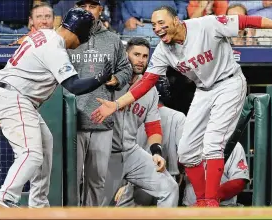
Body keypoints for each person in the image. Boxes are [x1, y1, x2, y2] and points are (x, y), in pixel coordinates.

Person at [91, 5, 272, 207]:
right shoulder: (164, 50)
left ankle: (210, 201)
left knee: (212, 143)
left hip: (229, 82)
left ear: (176, 20)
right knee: (186, 152)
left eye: (161, 22)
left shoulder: (206, 25)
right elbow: (146, 82)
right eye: (153, 25)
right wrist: (116, 104)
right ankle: (203, 200)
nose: (156, 28)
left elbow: (246, 20)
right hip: (203, 89)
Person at [0, 8, 112, 208]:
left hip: (10, 96)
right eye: (83, 37)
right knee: (30, 152)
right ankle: (4, 198)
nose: (81, 43)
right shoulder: (55, 47)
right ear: (79, 33)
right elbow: (74, 86)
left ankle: (38, 204)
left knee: (44, 144)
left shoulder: (45, 34)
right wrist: (100, 78)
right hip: (13, 96)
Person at [67, 0, 132, 207]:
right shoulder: (68, 38)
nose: (87, 11)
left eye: (92, 6)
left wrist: (116, 79)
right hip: (73, 121)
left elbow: (126, 69)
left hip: (102, 120)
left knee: (97, 181)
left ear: (100, 10)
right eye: (82, 6)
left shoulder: (113, 39)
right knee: (72, 180)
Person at [102, 37, 179, 207]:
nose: (140, 60)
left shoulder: (149, 90)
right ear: (125, 55)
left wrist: (156, 152)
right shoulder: (108, 82)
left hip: (131, 151)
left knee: (169, 188)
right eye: (136, 54)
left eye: (145, 56)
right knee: (98, 206)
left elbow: (153, 126)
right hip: (105, 154)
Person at [114, 76, 186, 207]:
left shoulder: (137, 114)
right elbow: (184, 153)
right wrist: (181, 171)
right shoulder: (178, 117)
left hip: (137, 182)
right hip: (164, 175)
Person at [183, 142, 250, 207]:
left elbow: (239, 180)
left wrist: (211, 198)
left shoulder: (233, 144)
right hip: (190, 207)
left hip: (222, 207)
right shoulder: (190, 142)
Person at [120, 0, 188, 45]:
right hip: (135, 28)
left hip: (167, 27)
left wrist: (178, 19)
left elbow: (182, 2)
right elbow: (117, 2)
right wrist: (126, 17)